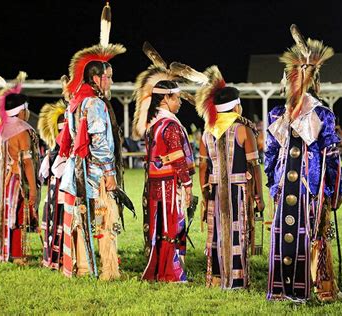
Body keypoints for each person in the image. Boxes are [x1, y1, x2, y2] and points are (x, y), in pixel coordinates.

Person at [264, 25, 342, 302]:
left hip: (284, 185)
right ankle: (321, 288)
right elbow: (331, 157)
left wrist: (272, 184)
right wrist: (335, 189)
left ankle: (282, 288)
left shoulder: (277, 114)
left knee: (287, 231)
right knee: (315, 232)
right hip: (311, 187)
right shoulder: (323, 114)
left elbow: (270, 155)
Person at [58, 2, 127, 280]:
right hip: (95, 173)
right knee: (104, 220)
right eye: (108, 77)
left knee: (81, 220)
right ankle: (109, 271)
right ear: (96, 77)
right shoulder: (95, 105)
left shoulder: (76, 102)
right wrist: (110, 174)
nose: (111, 81)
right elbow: (100, 142)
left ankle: (83, 267)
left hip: (77, 170)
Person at [132, 41, 206, 282]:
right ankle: (171, 273)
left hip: (156, 185)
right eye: (176, 98)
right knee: (172, 227)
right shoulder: (171, 125)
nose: (180, 101)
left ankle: (161, 270)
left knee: (160, 229)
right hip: (169, 185)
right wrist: (186, 185)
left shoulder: (154, 124)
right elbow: (177, 158)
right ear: (165, 100)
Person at [196, 65, 265, 289]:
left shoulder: (207, 132)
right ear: (236, 106)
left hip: (215, 190)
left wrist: (205, 195)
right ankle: (236, 278)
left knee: (216, 231)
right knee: (237, 231)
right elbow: (255, 168)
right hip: (238, 191)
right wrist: (259, 197)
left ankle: (216, 278)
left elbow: (203, 168)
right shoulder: (244, 130)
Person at [0, 73, 41, 265]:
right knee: (19, 216)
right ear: (22, 111)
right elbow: (27, 162)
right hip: (19, 180)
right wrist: (33, 190)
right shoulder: (21, 130)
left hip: (6, 180)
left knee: (7, 215)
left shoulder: (2, 130)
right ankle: (18, 256)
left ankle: (6, 252)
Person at [38, 98, 67, 270]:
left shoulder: (51, 152)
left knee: (55, 223)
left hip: (54, 195)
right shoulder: (56, 151)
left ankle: (54, 256)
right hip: (59, 195)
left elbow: (44, 174)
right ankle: (58, 257)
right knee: (59, 222)